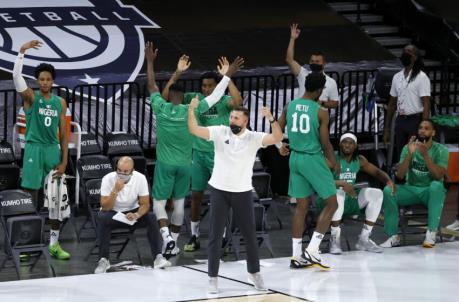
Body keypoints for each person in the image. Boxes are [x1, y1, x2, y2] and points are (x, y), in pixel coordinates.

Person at [144, 42, 241, 259]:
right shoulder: (192, 110)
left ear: (170, 97)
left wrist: (150, 61)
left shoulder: (160, 108)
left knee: (159, 203)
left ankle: (167, 239)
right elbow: (215, 97)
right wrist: (228, 75)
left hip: (167, 163)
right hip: (187, 164)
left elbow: (152, 86)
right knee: (180, 203)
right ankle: (176, 244)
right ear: (185, 97)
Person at [188, 99, 283, 294]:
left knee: (249, 235)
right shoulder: (220, 131)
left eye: (236, 117)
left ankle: (254, 273)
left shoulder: (254, 137)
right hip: (219, 190)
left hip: (242, 191)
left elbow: (277, 137)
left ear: (245, 121)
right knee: (215, 235)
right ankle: (212, 278)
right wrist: (191, 110)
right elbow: (194, 130)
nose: (232, 119)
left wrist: (272, 119)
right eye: (231, 116)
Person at [13, 40, 70, 260]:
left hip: (52, 150)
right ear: (37, 81)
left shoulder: (61, 103)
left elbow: (64, 134)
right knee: (30, 197)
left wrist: (65, 160)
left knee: (56, 199)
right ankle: (26, 244)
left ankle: (54, 244)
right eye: (41, 79)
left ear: (53, 81)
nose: (45, 82)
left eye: (48, 79)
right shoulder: (31, 98)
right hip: (34, 150)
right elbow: (17, 79)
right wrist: (21, 53)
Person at [277, 72, 339, 269]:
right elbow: (325, 142)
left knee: (301, 206)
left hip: (294, 158)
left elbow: (277, 130)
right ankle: (312, 249)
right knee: (332, 203)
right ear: (320, 90)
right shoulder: (321, 111)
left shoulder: (290, 105)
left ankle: (296, 255)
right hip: (312, 158)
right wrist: (333, 160)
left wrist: (280, 145)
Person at [316, 132, 396, 254]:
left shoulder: (360, 160)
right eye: (345, 142)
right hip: (328, 201)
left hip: (349, 199)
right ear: (340, 144)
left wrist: (388, 181)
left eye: (351, 143)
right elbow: (319, 180)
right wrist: (342, 184)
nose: (347, 145)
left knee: (377, 193)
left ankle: (364, 239)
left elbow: (377, 172)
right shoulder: (331, 159)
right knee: (339, 194)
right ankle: (334, 240)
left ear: (355, 146)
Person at [95, 157, 171, 273]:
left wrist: (136, 215)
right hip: (113, 213)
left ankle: (158, 257)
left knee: (151, 217)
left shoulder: (140, 178)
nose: (121, 174)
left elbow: (145, 204)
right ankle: (104, 260)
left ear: (132, 171)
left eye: (125, 172)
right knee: (101, 217)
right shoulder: (108, 179)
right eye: (119, 170)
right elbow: (105, 207)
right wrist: (115, 190)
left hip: (132, 213)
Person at [381, 120, 449, 248]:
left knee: (437, 186)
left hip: (430, 192)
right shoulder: (408, 147)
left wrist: (425, 155)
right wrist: (409, 155)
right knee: (388, 190)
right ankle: (393, 236)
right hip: (411, 189)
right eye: (420, 128)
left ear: (433, 132)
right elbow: (400, 175)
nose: (422, 130)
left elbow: (438, 175)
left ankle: (431, 233)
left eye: (426, 128)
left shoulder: (441, 150)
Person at [383, 44, 431, 163]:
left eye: (408, 52)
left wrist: (424, 128)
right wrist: (386, 128)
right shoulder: (397, 77)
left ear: (415, 57)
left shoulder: (421, 77)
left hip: (415, 120)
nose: (405, 54)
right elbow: (392, 104)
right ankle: (403, 179)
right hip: (400, 120)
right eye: (404, 51)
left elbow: (426, 104)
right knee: (402, 154)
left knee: (414, 155)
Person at [286, 23, 339, 109]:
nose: (314, 63)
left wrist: (321, 103)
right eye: (312, 61)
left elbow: (335, 103)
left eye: (317, 61)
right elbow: (289, 60)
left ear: (324, 63)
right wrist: (292, 38)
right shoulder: (303, 74)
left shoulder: (331, 82)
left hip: (316, 119)